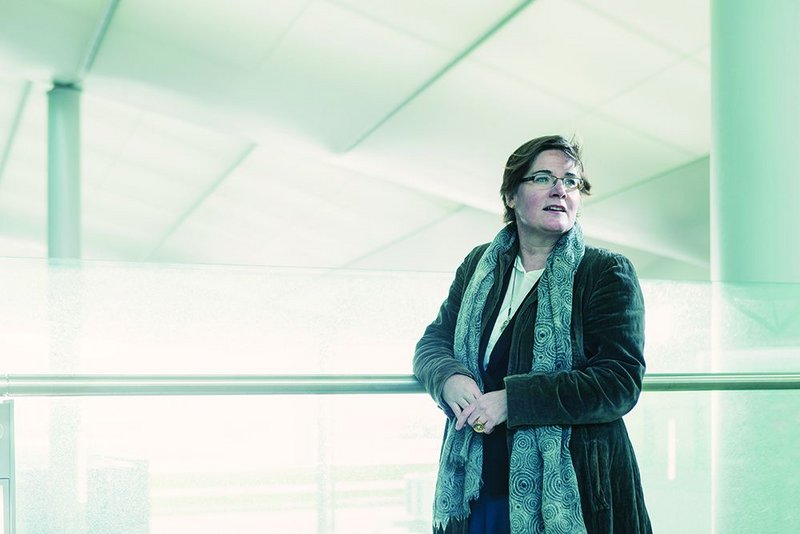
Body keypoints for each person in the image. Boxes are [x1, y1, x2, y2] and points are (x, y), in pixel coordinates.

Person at [413, 135, 651, 533]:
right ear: (511, 195)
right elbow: (433, 342)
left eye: (571, 181)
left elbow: (618, 383)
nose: (560, 189)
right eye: (543, 178)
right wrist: (448, 377)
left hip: (572, 493)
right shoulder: (479, 268)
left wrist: (513, 400)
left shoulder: (604, 272)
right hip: (481, 486)